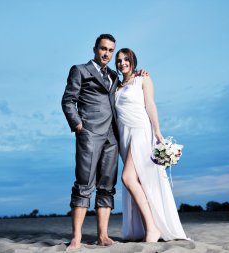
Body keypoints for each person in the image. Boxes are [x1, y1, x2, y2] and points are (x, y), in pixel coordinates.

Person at [62, 34, 149, 251]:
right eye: (103, 49)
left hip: (113, 137)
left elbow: (126, 86)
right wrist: (79, 127)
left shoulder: (113, 75)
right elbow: (68, 100)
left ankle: (103, 236)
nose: (106, 54)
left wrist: (139, 74)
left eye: (111, 50)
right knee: (84, 184)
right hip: (89, 134)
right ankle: (76, 238)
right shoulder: (80, 70)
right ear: (95, 48)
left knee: (107, 187)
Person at [114, 48, 188, 242]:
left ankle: (152, 227)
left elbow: (150, 105)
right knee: (138, 181)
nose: (122, 63)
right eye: (119, 60)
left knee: (127, 177)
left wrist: (157, 131)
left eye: (126, 59)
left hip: (140, 129)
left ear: (133, 61)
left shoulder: (143, 79)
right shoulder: (117, 86)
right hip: (125, 136)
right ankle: (149, 225)